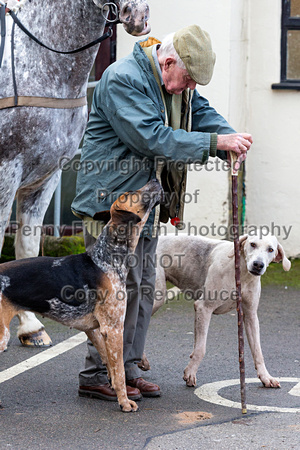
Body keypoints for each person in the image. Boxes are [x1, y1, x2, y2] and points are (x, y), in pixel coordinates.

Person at [71, 24, 252, 401]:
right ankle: (95, 373)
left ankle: (128, 366)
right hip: (112, 207)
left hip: (143, 206)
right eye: (186, 80)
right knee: (110, 294)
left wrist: (230, 140)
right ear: (168, 61)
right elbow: (152, 137)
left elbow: (201, 115)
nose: (189, 89)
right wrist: (216, 143)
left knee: (140, 288)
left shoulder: (177, 83)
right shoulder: (123, 79)